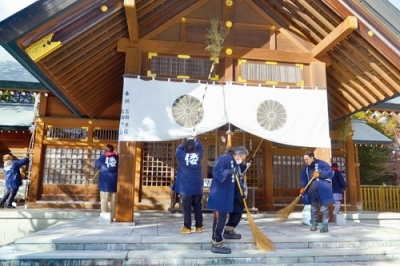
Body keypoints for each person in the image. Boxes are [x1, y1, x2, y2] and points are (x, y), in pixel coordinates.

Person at [207, 146, 249, 254]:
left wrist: (242, 192)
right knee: (220, 217)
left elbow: (238, 177)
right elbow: (216, 172)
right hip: (220, 194)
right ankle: (216, 242)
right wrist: (229, 171)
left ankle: (229, 230)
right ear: (237, 155)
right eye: (242, 157)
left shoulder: (236, 163)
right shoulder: (224, 159)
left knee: (238, 209)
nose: (242, 160)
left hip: (232, 193)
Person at [172, 137, 204, 234]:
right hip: (197, 187)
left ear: (185, 149)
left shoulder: (182, 155)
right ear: (194, 149)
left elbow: (178, 149)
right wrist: (195, 140)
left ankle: (187, 227)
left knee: (187, 208)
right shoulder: (198, 155)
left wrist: (186, 141)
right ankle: (199, 227)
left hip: (185, 188)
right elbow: (200, 148)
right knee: (198, 207)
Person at [300, 151, 334, 233]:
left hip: (322, 190)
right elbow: (303, 179)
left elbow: (330, 172)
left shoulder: (322, 164)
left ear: (312, 157)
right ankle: (314, 224)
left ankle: (325, 225)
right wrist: (302, 187)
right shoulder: (306, 168)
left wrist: (320, 174)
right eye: (304, 160)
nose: (306, 161)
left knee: (324, 208)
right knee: (313, 208)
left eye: (307, 159)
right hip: (312, 190)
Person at [95, 144, 119, 220]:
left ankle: (104, 217)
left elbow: (97, 165)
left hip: (104, 183)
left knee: (104, 201)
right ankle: (113, 217)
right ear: (113, 150)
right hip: (114, 182)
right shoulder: (117, 157)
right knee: (113, 202)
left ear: (105, 150)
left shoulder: (102, 158)